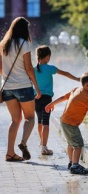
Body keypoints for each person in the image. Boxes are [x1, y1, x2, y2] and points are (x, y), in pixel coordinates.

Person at [0, 17, 41, 161]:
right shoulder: (24, 44)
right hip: (23, 86)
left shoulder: (3, 44)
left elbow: (0, 68)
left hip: (7, 88)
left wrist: (6, 77)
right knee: (30, 117)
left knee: (15, 120)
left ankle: (10, 153)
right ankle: (23, 143)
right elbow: (29, 68)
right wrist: (37, 87)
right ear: (25, 29)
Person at [34, 45, 80, 155]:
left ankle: (42, 143)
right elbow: (66, 74)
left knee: (40, 121)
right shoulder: (50, 68)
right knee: (45, 123)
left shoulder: (33, 69)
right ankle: (44, 148)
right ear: (48, 56)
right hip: (46, 99)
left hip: (35, 98)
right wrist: (78, 79)